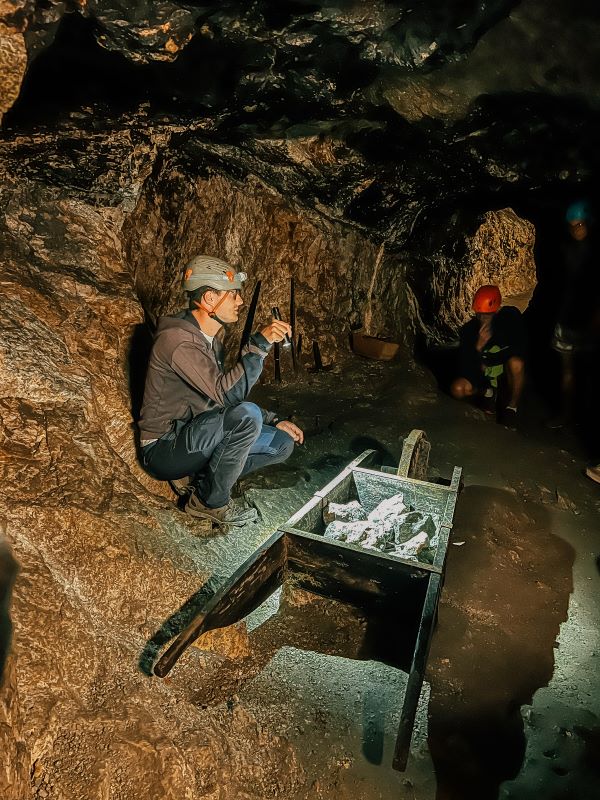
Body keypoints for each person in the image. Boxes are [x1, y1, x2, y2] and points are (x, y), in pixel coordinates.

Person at [138, 254, 304, 527]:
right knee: (247, 415)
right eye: (233, 294)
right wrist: (259, 346)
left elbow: (220, 399)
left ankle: (205, 481)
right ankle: (208, 504)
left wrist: (274, 419)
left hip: (195, 432)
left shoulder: (208, 340)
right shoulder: (178, 342)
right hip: (164, 450)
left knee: (280, 444)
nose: (240, 301)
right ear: (210, 300)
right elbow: (229, 397)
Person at [548, 200, 596, 430]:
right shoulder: (565, 249)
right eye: (572, 225)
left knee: (589, 374)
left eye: (580, 224)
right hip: (567, 319)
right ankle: (567, 414)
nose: (576, 229)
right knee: (567, 371)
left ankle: (585, 421)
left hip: (592, 322)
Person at [450, 285, 527, 426]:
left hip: (502, 369)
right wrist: (478, 348)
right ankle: (488, 393)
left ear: (496, 311)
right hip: (483, 375)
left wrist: (492, 359)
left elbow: (519, 350)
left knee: (517, 363)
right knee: (458, 389)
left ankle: (512, 407)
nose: (483, 319)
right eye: (479, 314)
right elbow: (466, 368)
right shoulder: (468, 331)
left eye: (487, 315)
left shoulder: (508, 322)